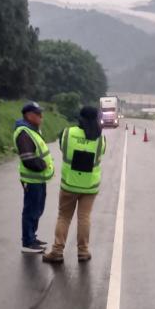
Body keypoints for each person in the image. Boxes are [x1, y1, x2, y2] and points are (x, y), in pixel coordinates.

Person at [43, 106, 106, 264]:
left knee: (64, 217)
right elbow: (101, 154)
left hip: (69, 184)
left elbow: (62, 149)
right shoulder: (100, 139)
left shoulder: (67, 133)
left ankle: (57, 251)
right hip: (90, 186)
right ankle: (83, 251)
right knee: (84, 218)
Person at [13, 102, 55, 254]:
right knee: (31, 210)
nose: (41, 117)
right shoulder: (24, 133)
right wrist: (42, 165)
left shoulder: (32, 130)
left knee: (37, 209)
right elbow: (28, 158)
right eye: (38, 114)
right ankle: (28, 242)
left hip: (38, 179)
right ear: (29, 115)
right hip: (32, 179)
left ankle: (32, 236)